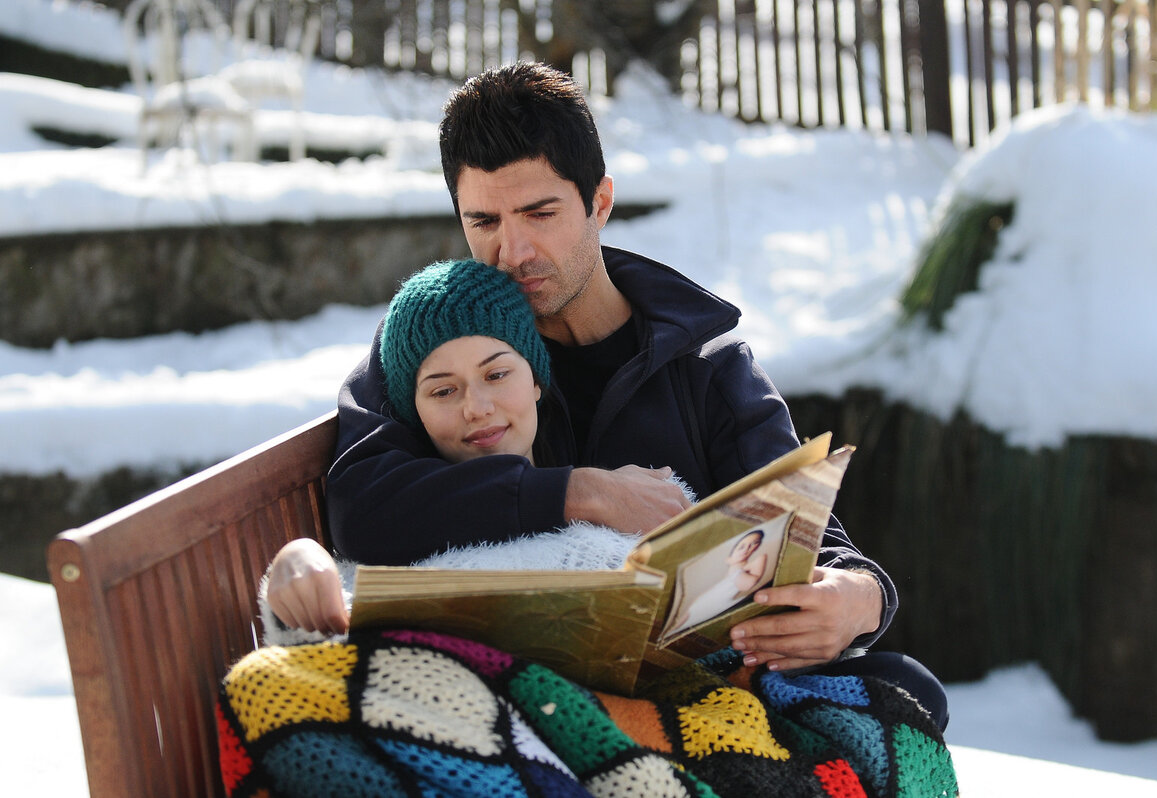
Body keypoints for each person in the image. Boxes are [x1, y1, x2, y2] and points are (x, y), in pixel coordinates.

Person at [323, 61, 947, 729]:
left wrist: (860, 599)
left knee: (909, 689)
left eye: (540, 213)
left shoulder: (707, 368)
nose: (512, 251)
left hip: (699, 686)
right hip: (514, 692)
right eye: (484, 222)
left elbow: (808, 541)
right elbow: (361, 503)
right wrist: (579, 492)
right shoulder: (436, 347)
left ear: (600, 201)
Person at [268, 256, 647, 637]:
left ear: (536, 380)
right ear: (416, 412)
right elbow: (336, 606)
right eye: (443, 391)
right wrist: (297, 561)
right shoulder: (401, 536)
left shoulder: (621, 506)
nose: (477, 408)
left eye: (496, 374)